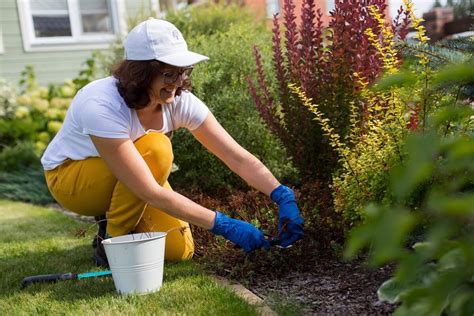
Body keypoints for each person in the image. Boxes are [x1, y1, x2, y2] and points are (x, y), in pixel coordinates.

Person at [41, 18, 304, 267]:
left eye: (183, 72)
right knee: (156, 148)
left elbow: (235, 156)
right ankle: (110, 242)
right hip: (71, 179)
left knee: (180, 251)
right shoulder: (101, 104)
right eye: (169, 74)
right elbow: (148, 190)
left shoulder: (178, 100)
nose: (178, 83)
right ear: (139, 73)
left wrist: (281, 194)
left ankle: (122, 222)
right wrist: (224, 225)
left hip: (130, 175)